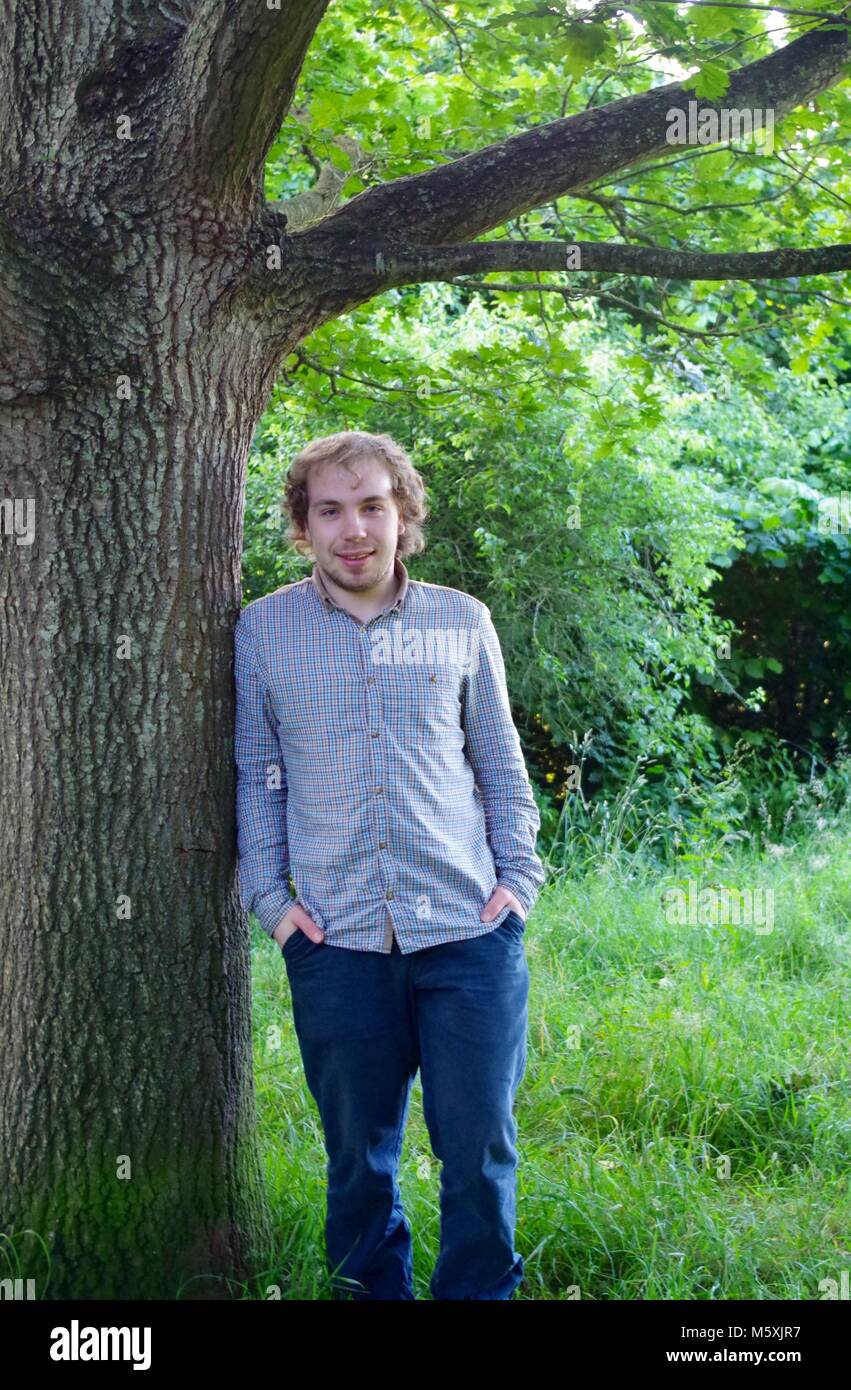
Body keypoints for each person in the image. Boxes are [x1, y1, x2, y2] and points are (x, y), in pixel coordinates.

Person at [234, 430, 546, 1300]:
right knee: (356, 1164)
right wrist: (271, 902)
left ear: (401, 513)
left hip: (467, 938)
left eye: (371, 504)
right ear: (303, 527)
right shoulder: (263, 630)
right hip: (336, 944)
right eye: (329, 510)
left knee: (478, 1153)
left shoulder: (461, 621)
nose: (353, 529)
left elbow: (501, 768)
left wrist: (515, 887)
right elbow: (256, 778)